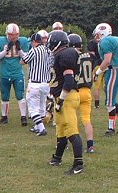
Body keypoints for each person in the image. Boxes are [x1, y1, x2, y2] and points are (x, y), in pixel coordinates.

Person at [47, 30, 84, 175]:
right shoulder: (62, 54)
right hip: (61, 97)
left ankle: (79, 164)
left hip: (67, 97)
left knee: (71, 130)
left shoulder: (66, 54)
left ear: (57, 42)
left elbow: (68, 81)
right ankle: (57, 158)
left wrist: (61, 99)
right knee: (60, 129)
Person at [93, 23, 118, 136]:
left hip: (112, 71)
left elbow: (107, 60)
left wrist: (98, 72)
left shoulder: (106, 41)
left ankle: (111, 128)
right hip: (116, 71)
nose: (96, 36)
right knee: (112, 99)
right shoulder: (115, 39)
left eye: (98, 34)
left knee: (109, 102)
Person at [0, 23, 30, 126]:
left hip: (17, 73)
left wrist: (20, 50)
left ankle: (23, 117)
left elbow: (26, 58)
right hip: (4, 73)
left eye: (16, 34)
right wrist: (5, 50)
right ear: (7, 34)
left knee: (20, 95)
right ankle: (4, 117)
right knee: (4, 96)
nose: (14, 36)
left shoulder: (23, 41)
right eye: (11, 34)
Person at [21, 33, 53, 136]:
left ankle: (41, 128)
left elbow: (23, 61)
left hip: (35, 83)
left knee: (32, 108)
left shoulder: (34, 50)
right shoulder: (48, 50)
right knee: (42, 106)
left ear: (34, 41)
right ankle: (37, 126)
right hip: (46, 83)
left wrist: (21, 52)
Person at [68, 33, 95, 153]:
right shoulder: (90, 56)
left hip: (75, 91)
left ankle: (67, 143)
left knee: (70, 119)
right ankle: (90, 146)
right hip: (87, 91)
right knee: (86, 119)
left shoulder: (71, 56)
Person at [88, 32, 104, 109]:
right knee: (105, 85)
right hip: (106, 64)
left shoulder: (92, 43)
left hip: (97, 65)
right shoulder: (105, 42)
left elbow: (92, 55)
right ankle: (110, 101)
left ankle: (97, 104)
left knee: (97, 86)